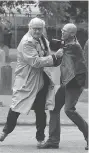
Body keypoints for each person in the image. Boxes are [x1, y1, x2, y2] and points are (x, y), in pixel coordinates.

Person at [0, 17, 63, 148]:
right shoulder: (26, 42)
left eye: (40, 28)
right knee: (16, 107)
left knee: (40, 111)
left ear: (43, 29)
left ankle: (40, 139)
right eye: (35, 28)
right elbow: (35, 62)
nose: (37, 31)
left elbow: (47, 54)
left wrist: (56, 56)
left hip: (41, 80)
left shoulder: (42, 39)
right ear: (30, 28)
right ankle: (4, 133)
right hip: (27, 81)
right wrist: (54, 57)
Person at [40, 23, 88, 150]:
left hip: (75, 83)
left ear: (72, 34)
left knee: (69, 110)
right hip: (67, 82)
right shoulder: (67, 45)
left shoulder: (74, 46)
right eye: (62, 30)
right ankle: (53, 141)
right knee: (54, 108)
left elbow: (55, 49)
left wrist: (45, 41)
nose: (62, 32)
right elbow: (56, 58)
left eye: (64, 31)